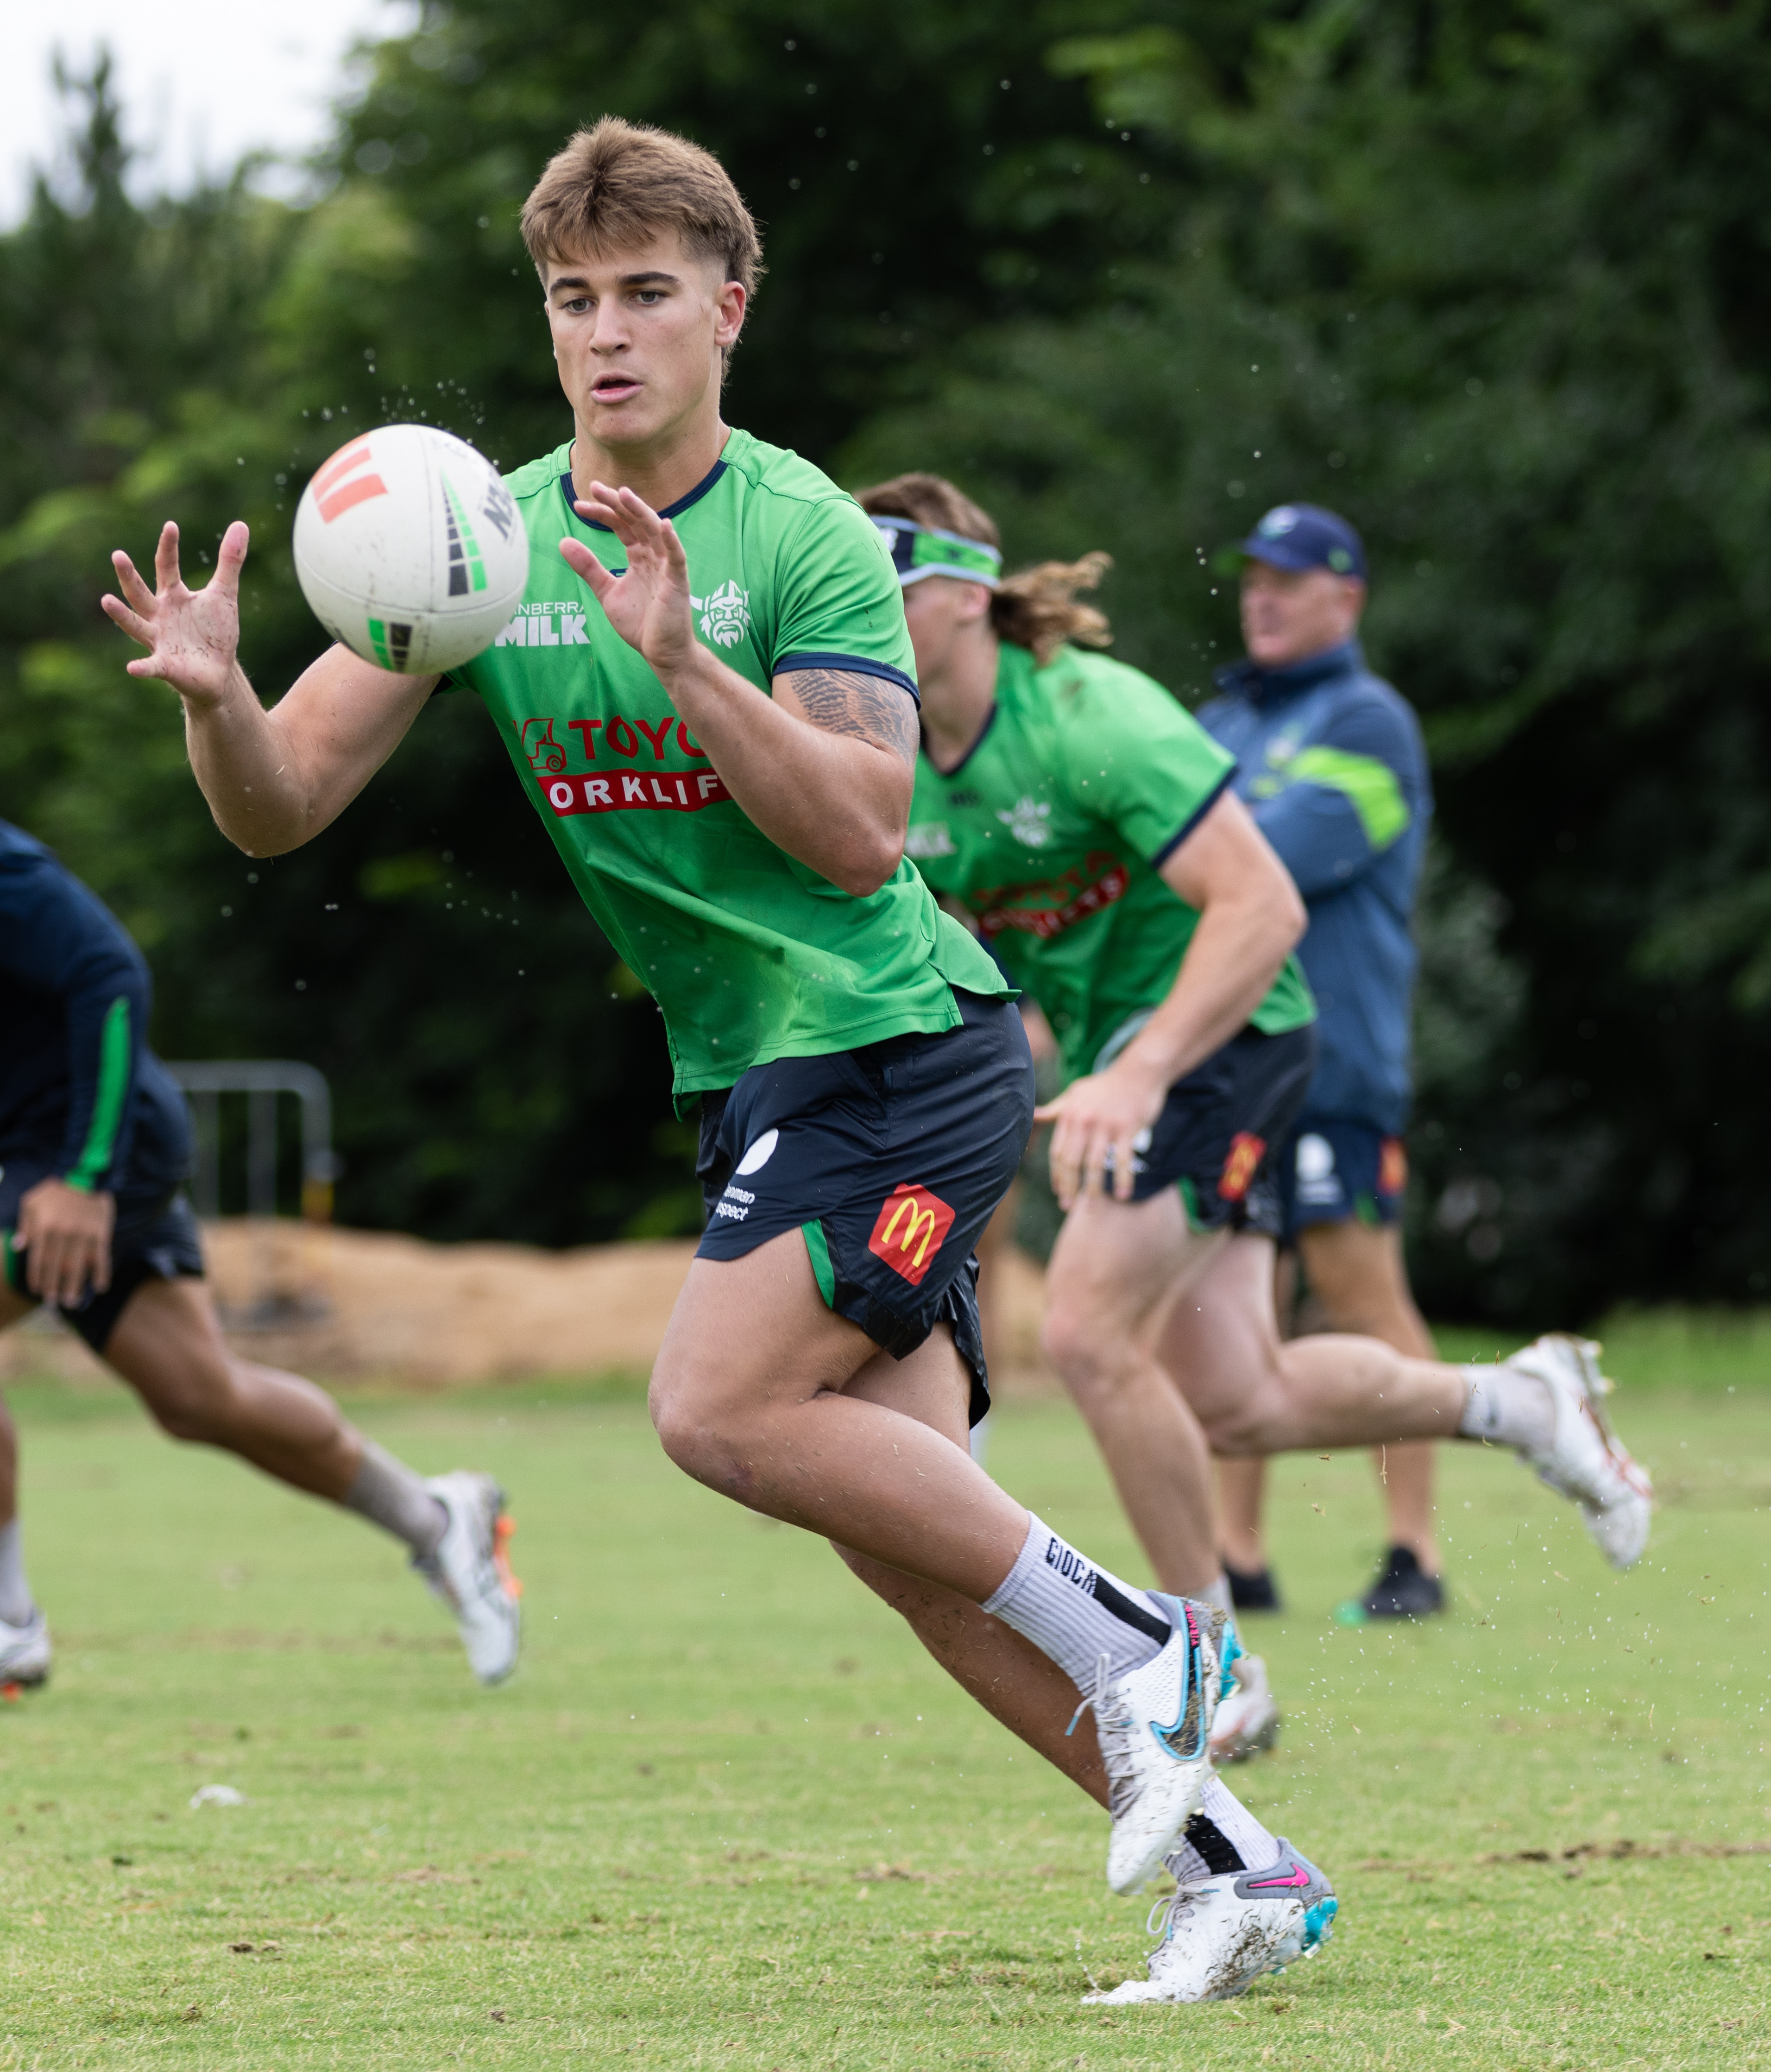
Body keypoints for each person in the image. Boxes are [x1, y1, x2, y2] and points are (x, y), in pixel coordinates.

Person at [104, 117, 1340, 2006]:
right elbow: (279, 808)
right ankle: (1235, 1869)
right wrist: (215, 702)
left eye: (645, 295)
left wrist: (686, 657)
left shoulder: (806, 533)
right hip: (759, 1075)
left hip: (897, 1042)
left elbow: (861, 829)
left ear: (727, 310)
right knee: (912, 1551)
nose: (604, 335)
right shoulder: (478, 536)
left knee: (712, 1407)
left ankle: (1161, 1641)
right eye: (570, 299)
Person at [856, 467, 1651, 1780]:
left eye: (886, 579)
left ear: (965, 595)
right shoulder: (893, 762)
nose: (859, 608)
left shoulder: (1094, 714)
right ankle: (1521, 1401)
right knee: (1240, 1395)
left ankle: (1208, 1658)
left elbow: (1266, 907)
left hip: (1235, 1032)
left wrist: (1143, 1070)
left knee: (1087, 1331)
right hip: (1142, 1054)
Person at [0, 630, 520, 1699]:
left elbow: (107, 972)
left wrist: (82, 1178)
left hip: (92, 1143)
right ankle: (438, 1515)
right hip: (27, 1155)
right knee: (200, 1398)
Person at [1197, 504, 1443, 1620]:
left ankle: (1413, 1554)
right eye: (1254, 577)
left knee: (1360, 1296)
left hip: (1333, 1063)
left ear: (1345, 598)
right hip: (1231, 1060)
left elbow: (1263, 860)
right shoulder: (1223, 718)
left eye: (1289, 581)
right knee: (1236, 1304)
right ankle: (1236, 1560)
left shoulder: (1371, 720)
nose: (1263, 596)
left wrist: (1193, 833)